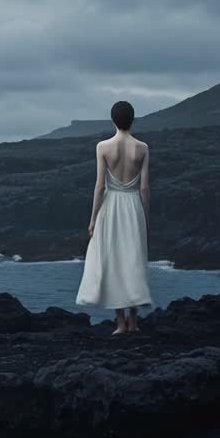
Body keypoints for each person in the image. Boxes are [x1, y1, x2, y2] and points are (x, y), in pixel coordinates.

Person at [75, 100, 153, 333]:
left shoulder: (103, 147)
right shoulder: (143, 148)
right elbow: (145, 188)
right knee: (134, 261)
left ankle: (120, 323)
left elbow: (99, 186)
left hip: (110, 207)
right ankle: (134, 322)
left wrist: (92, 219)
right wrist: (146, 218)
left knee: (112, 262)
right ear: (133, 119)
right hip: (133, 206)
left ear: (112, 120)